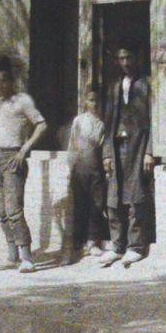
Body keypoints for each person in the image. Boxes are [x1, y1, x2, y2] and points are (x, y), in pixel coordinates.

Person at [0, 55, 48, 273]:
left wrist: (24, 149)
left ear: (12, 81)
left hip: (15, 156)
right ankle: (11, 255)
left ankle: (26, 257)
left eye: (4, 80)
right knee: (2, 209)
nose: (0, 85)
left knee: (14, 209)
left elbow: (41, 125)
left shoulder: (23, 100)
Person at [99, 45, 155, 267]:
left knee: (135, 197)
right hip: (116, 145)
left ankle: (136, 247)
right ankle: (117, 246)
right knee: (113, 198)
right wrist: (106, 154)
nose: (125, 62)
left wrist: (150, 151)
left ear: (137, 57)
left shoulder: (146, 84)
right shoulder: (114, 87)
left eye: (129, 57)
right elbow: (108, 120)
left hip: (138, 147)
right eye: (121, 58)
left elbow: (155, 120)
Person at [64, 86, 110, 262]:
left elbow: (102, 146)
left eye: (97, 100)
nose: (94, 103)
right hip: (80, 168)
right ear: (84, 101)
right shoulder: (79, 121)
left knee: (96, 205)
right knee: (80, 204)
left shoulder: (102, 124)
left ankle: (93, 242)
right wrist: (71, 167)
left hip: (96, 169)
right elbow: (72, 145)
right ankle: (78, 243)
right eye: (91, 100)